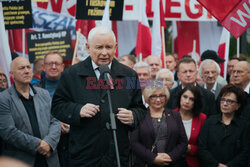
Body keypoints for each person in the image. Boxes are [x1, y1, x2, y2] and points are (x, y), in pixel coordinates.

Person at [51, 26, 146, 166]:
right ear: (88, 48)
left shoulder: (129, 75)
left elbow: (141, 109)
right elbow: (57, 107)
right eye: (99, 47)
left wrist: (133, 116)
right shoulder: (71, 74)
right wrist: (78, 110)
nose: (104, 53)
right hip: (84, 157)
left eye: (108, 47)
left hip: (116, 157)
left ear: (116, 47)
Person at [0, 57, 61, 167]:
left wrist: (49, 143)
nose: (27, 71)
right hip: (22, 161)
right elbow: (8, 132)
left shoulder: (44, 94)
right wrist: (39, 145)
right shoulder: (3, 99)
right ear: (11, 74)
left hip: (49, 160)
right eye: (22, 68)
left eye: (28, 67)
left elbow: (55, 121)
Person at [130, 80, 188, 167]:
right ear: (147, 97)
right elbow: (134, 143)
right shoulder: (139, 115)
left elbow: (183, 142)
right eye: (153, 96)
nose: (158, 99)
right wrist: (153, 158)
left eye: (161, 96)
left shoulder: (175, 115)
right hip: (146, 163)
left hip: (172, 163)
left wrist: (170, 156)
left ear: (166, 97)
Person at [198, 84, 249, 167]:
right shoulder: (210, 121)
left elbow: (245, 152)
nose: (225, 104)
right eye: (223, 100)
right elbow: (202, 148)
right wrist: (216, 164)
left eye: (230, 101)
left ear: (238, 106)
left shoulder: (244, 125)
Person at [35, 52, 69, 167]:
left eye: (57, 64)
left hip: (69, 143)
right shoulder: (33, 90)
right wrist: (56, 125)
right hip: (45, 143)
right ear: (43, 67)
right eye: (50, 64)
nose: (53, 67)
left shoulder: (72, 88)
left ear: (62, 67)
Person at [175, 85, 207, 167]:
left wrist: (189, 148)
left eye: (191, 99)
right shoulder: (168, 115)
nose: (187, 101)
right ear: (180, 97)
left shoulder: (202, 118)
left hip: (192, 162)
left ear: (196, 102)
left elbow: (205, 146)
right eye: (185, 97)